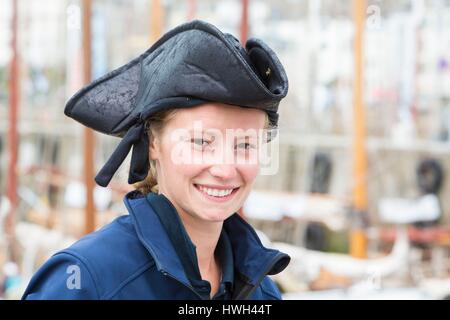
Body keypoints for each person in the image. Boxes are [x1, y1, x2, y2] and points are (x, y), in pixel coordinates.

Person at [22, 20, 290, 300]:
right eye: (201, 142)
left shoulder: (263, 293)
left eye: (245, 144)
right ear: (153, 144)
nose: (224, 169)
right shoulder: (87, 282)